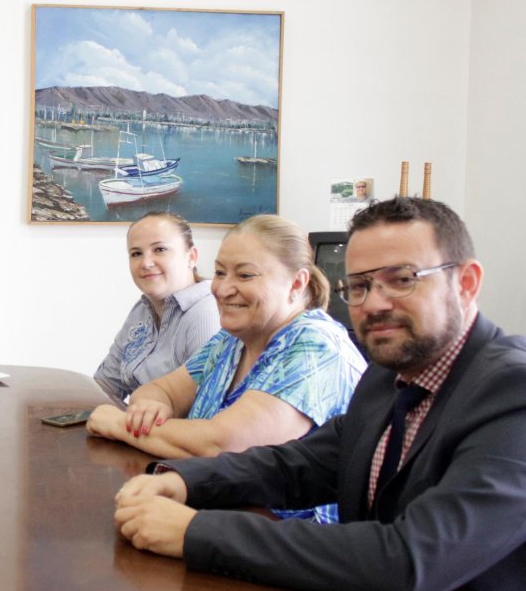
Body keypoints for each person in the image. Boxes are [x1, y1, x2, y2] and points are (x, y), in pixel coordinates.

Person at [113, 197, 526, 589]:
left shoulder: (512, 394)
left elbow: (411, 559)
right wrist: (184, 481)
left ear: (467, 283)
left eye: (402, 280)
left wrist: (193, 531)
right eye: (361, 286)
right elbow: (301, 464)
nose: (375, 303)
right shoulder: (387, 376)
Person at [89, 214, 366, 523]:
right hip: (216, 518)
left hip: (284, 546)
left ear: (297, 283)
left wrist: (119, 423)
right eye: (220, 272)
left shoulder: (315, 347)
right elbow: (160, 390)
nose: (222, 289)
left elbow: (221, 446)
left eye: (245, 275)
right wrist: (152, 406)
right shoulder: (230, 340)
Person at [92, 211, 220, 403]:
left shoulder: (208, 313)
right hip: (134, 427)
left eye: (160, 249)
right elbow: (107, 385)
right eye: (136, 254)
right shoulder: (142, 309)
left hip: (174, 431)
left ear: (191, 257)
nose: (146, 263)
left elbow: (203, 409)